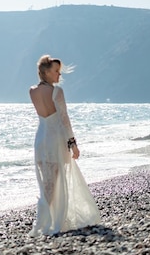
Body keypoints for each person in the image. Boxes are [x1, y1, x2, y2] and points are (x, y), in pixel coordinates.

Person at [28, 55, 101, 236]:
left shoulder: (32, 91)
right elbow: (64, 120)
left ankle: (44, 220)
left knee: (47, 181)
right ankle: (49, 222)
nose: (59, 76)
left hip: (40, 139)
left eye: (59, 72)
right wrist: (73, 144)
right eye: (56, 72)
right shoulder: (56, 92)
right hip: (54, 139)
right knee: (54, 180)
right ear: (45, 72)